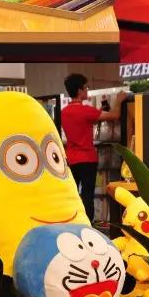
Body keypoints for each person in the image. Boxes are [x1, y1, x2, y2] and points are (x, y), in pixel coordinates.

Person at [61, 73, 128, 223]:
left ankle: (74, 221)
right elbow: (115, 115)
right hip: (87, 159)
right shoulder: (86, 111)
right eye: (86, 87)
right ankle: (88, 223)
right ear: (79, 90)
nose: (87, 90)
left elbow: (82, 122)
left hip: (71, 159)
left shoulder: (64, 112)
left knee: (73, 194)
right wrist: (118, 101)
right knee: (88, 195)